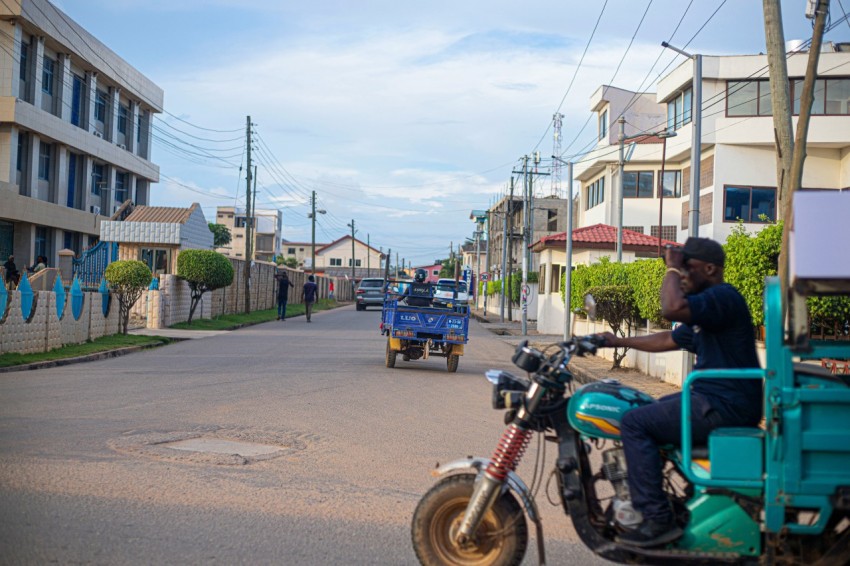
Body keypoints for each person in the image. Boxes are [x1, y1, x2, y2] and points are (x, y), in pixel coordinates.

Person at [592, 237, 762, 548]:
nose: (681, 276)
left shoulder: (722, 297)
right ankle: (667, 501)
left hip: (723, 404)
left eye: (687, 269)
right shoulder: (709, 307)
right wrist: (616, 342)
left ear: (709, 269)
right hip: (714, 399)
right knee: (642, 410)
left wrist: (671, 267)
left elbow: (671, 308)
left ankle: (656, 519)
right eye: (680, 270)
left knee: (635, 423)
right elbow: (669, 340)